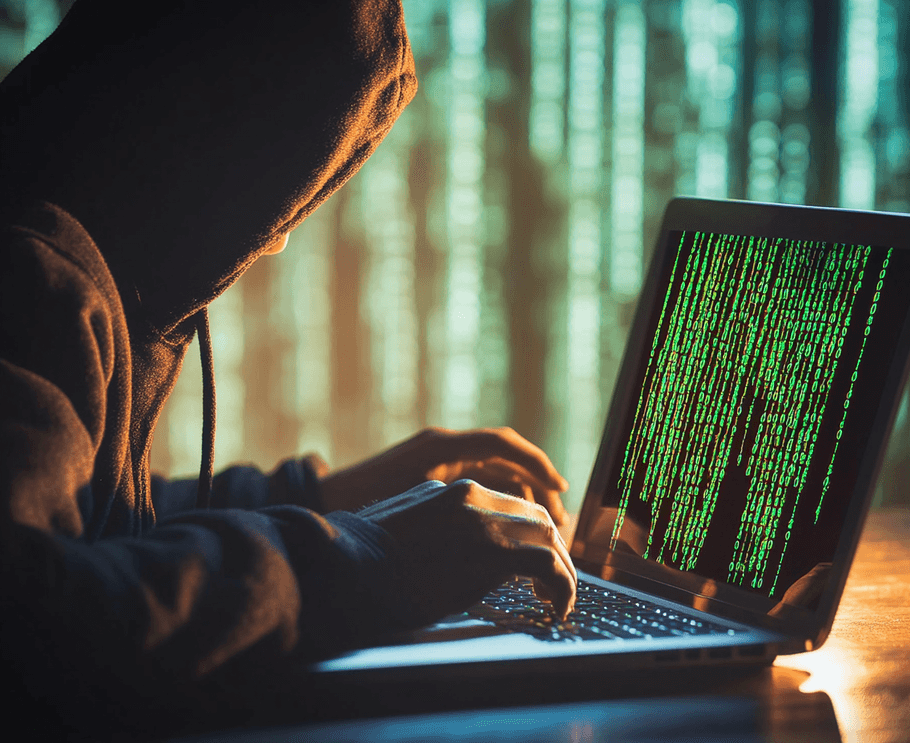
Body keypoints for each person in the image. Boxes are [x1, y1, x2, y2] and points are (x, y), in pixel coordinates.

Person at [0, 0, 575, 737]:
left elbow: (76, 512)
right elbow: (32, 618)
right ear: (207, 125)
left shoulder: (58, 242)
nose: (270, 245)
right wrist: (370, 557)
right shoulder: (30, 276)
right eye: (277, 199)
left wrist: (320, 493)